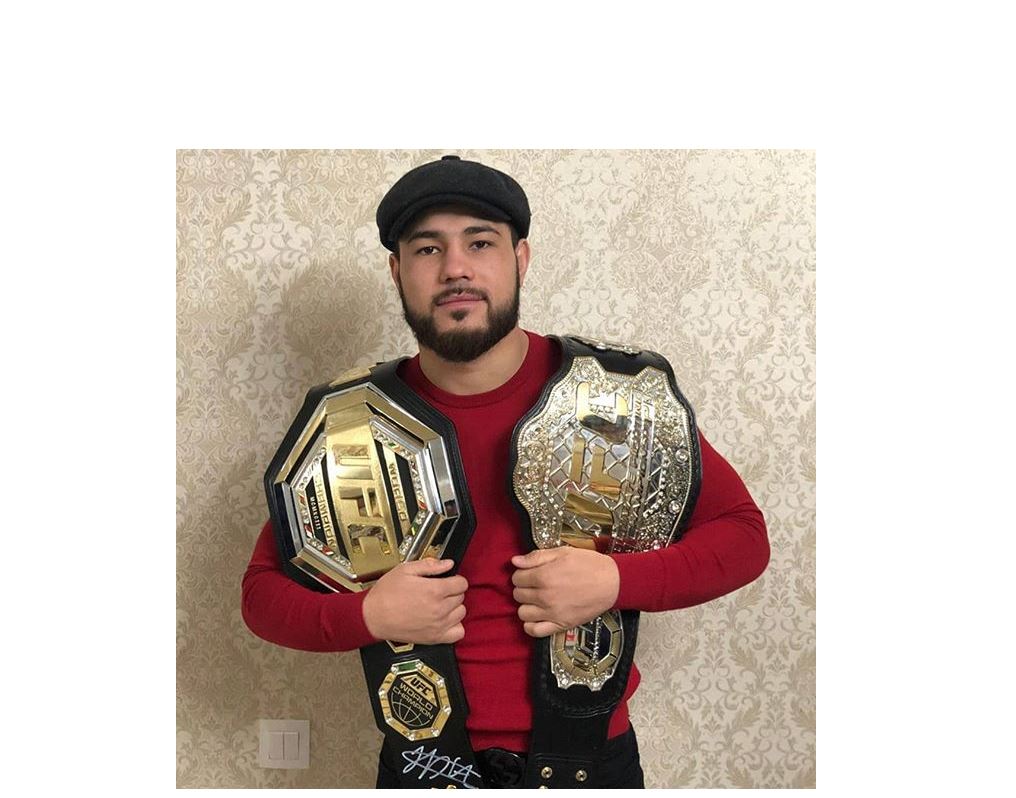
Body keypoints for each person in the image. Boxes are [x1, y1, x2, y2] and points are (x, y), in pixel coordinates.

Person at [242, 154, 770, 788]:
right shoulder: (348, 425)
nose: (455, 268)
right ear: (397, 271)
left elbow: (743, 537)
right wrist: (370, 616)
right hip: (423, 767)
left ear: (520, 258)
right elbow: (263, 595)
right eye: (428, 249)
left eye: (480, 243)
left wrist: (615, 581)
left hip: (593, 766)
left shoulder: (617, 398)